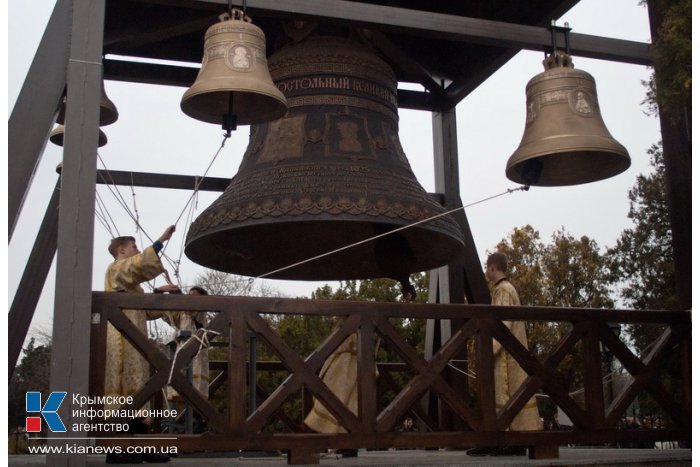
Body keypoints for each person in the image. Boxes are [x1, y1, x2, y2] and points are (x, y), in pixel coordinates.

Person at [104, 225, 178, 464]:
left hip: (135, 340)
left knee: (139, 391)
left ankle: (141, 445)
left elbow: (146, 310)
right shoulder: (115, 269)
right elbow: (134, 268)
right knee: (124, 390)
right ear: (121, 250)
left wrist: (164, 294)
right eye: (134, 247)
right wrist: (160, 241)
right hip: (122, 340)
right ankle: (117, 448)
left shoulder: (129, 284)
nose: (137, 250)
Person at [467, 252, 540, 457]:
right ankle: (495, 438)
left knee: (507, 394)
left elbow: (502, 325)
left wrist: (488, 351)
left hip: (508, 355)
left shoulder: (504, 291)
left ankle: (511, 440)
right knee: (498, 395)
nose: (486, 272)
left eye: (486, 268)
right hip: (506, 353)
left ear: (492, 267)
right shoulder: (503, 290)